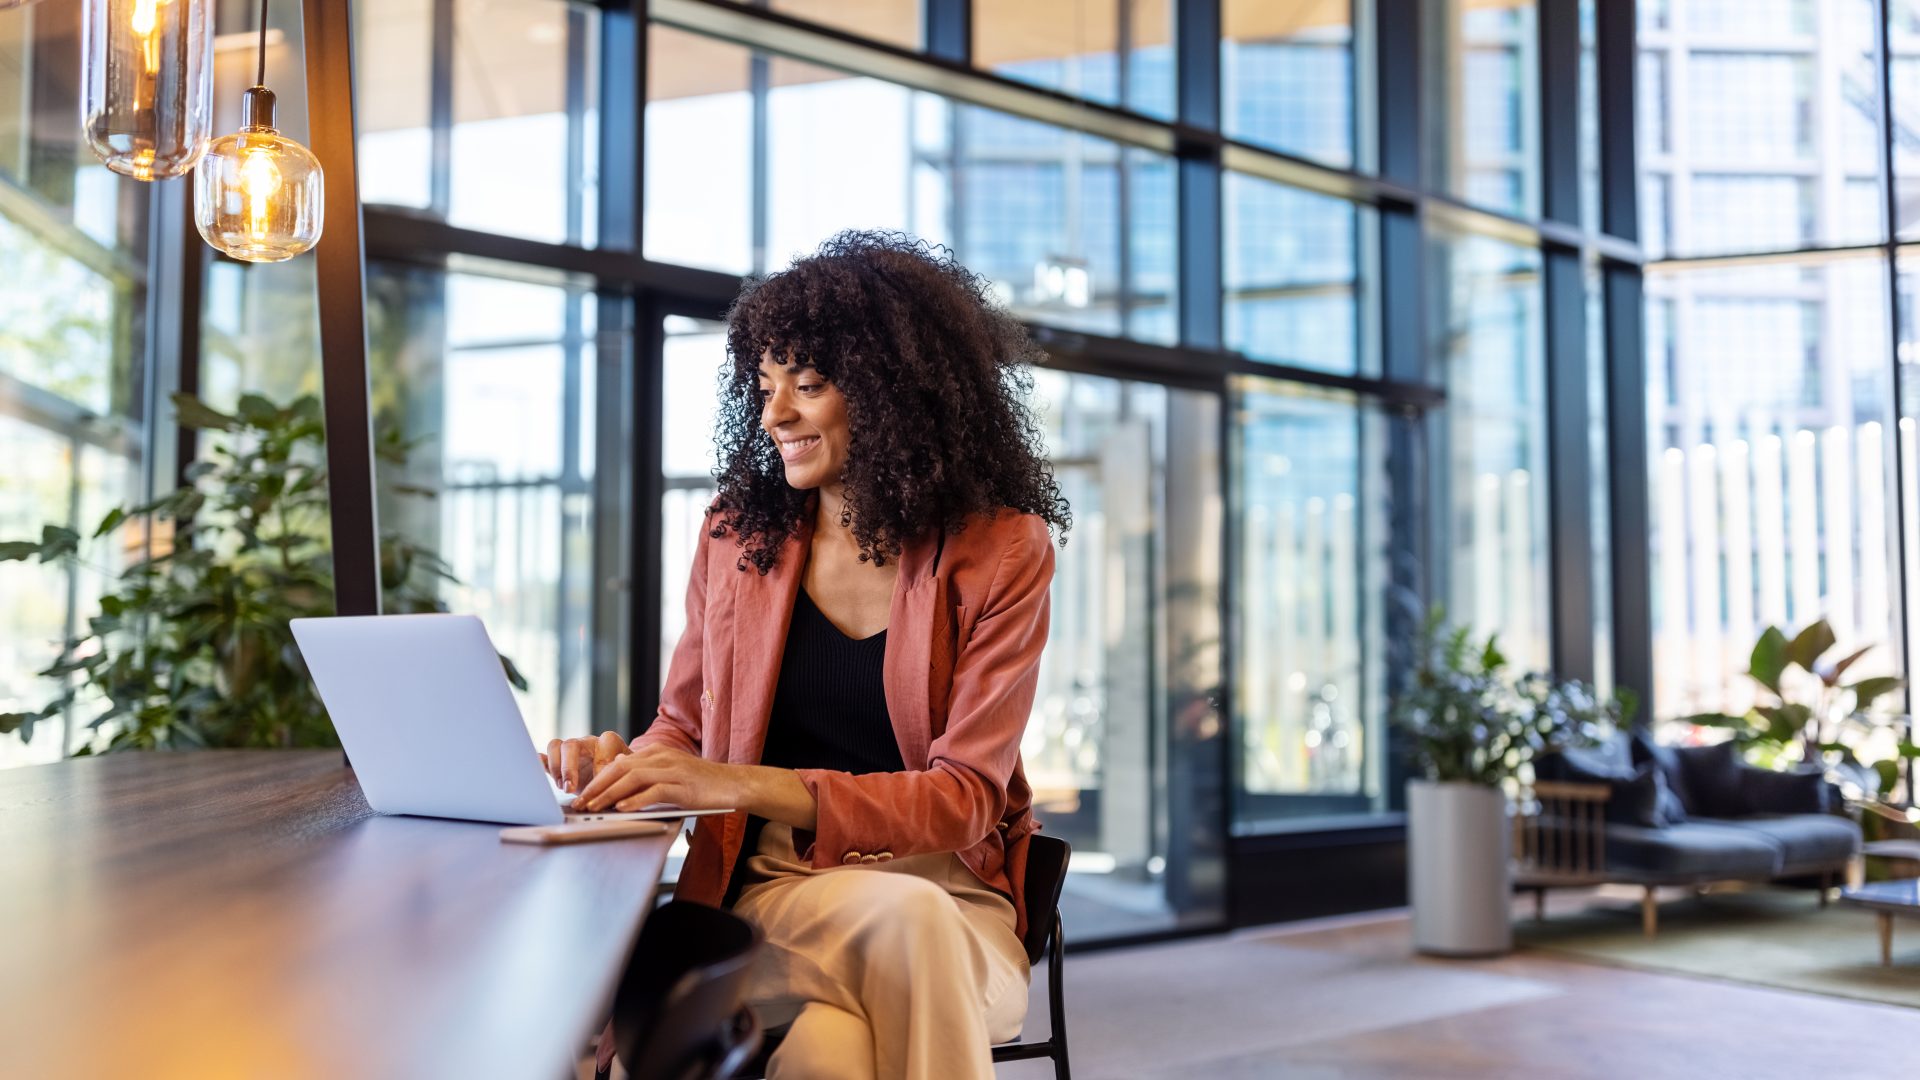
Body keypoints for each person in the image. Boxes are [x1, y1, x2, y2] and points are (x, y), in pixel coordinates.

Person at [543, 230, 1071, 1080]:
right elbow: (680, 726)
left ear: (896, 393)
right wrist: (623, 768)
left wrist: (738, 782)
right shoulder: (737, 535)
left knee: (839, 1045)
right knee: (900, 936)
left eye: (809, 386)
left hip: (951, 903)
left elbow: (967, 797)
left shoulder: (1001, 550)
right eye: (764, 385)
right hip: (774, 895)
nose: (773, 414)